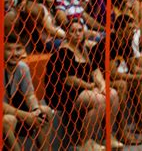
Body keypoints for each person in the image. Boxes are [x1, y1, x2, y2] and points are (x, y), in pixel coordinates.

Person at [44, 19, 123, 150]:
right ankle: (84, 142)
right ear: (67, 34)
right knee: (100, 100)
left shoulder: (85, 50)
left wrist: (102, 86)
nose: (77, 34)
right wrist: (90, 87)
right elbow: (68, 80)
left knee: (112, 94)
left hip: (85, 89)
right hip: (65, 93)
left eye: (80, 30)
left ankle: (108, 136)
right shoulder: (63, 52)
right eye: (73, 31)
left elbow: (96, 71)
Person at [3, 33, 53, 151]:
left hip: (17, 112)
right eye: (9, 50)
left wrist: (35, 111)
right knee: (8, 120)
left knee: (45, 112)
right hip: (7, 115)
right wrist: (26, 116)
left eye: (18, 49)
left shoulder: (22, 67)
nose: (14, 54)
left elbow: (30, 95)